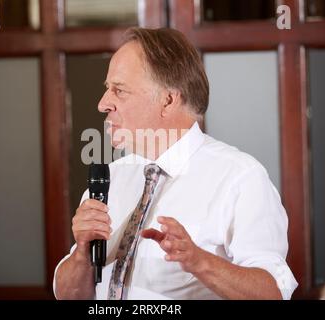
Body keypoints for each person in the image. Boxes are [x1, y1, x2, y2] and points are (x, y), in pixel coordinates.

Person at [53, 27, 298, 300]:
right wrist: (82, 252)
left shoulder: (240, 178)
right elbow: (69, 296)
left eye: (119, 90)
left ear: (168, 100)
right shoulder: (110, 177)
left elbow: (274, 293)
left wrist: (198, 261)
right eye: (107, 89)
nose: (102, 104)